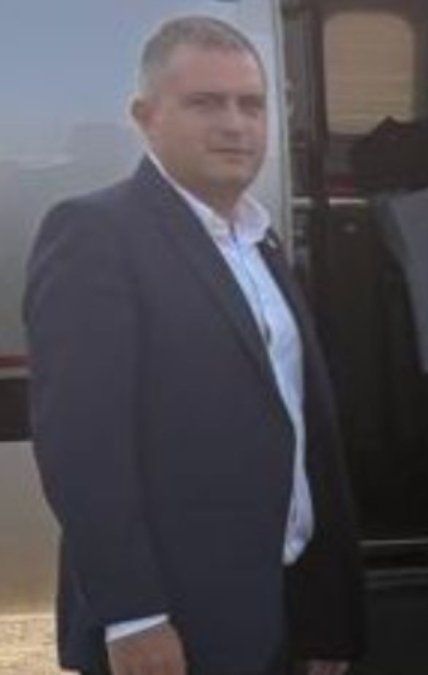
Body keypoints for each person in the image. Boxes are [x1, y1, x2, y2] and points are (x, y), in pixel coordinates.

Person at [24, 16, 362, 675]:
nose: (235, 124)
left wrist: (326, 617)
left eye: (251, 104)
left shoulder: (259, 244)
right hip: (172, 630)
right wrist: (133, 615)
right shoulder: (95, 235)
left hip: (275, 611)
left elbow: (300, 434)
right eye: (206, 103)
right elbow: (82, 449)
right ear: (145, 117)